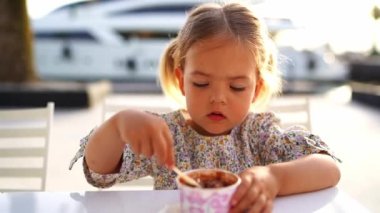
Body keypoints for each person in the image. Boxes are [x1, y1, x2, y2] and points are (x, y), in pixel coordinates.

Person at [70, 2, 341, 212]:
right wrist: (118, 126)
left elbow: (328, 168)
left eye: (236, 87)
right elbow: (98, 173)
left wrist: (274, 178)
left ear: (256, 89)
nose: (218, 98)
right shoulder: (166, 135)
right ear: (182, 81)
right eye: (201, 83)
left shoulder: (258, 135)